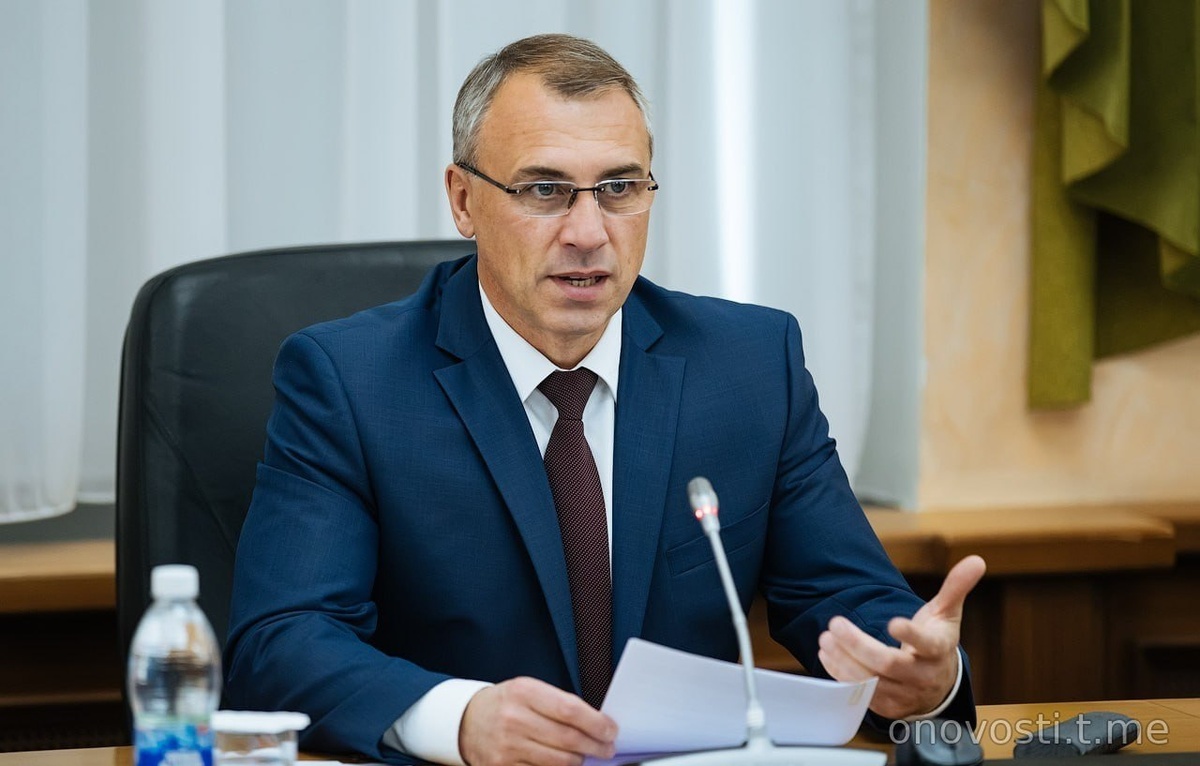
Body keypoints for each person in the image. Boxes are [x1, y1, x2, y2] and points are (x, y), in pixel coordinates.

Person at [225, 32, 986, 766]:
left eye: (619, 188)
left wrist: (923, 680)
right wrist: (460, 719)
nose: (588, 232)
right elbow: (281, 642)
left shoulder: (751, 367)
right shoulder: (350, 381)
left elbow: (848, 601)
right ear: (462, 200)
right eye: (544, 190)